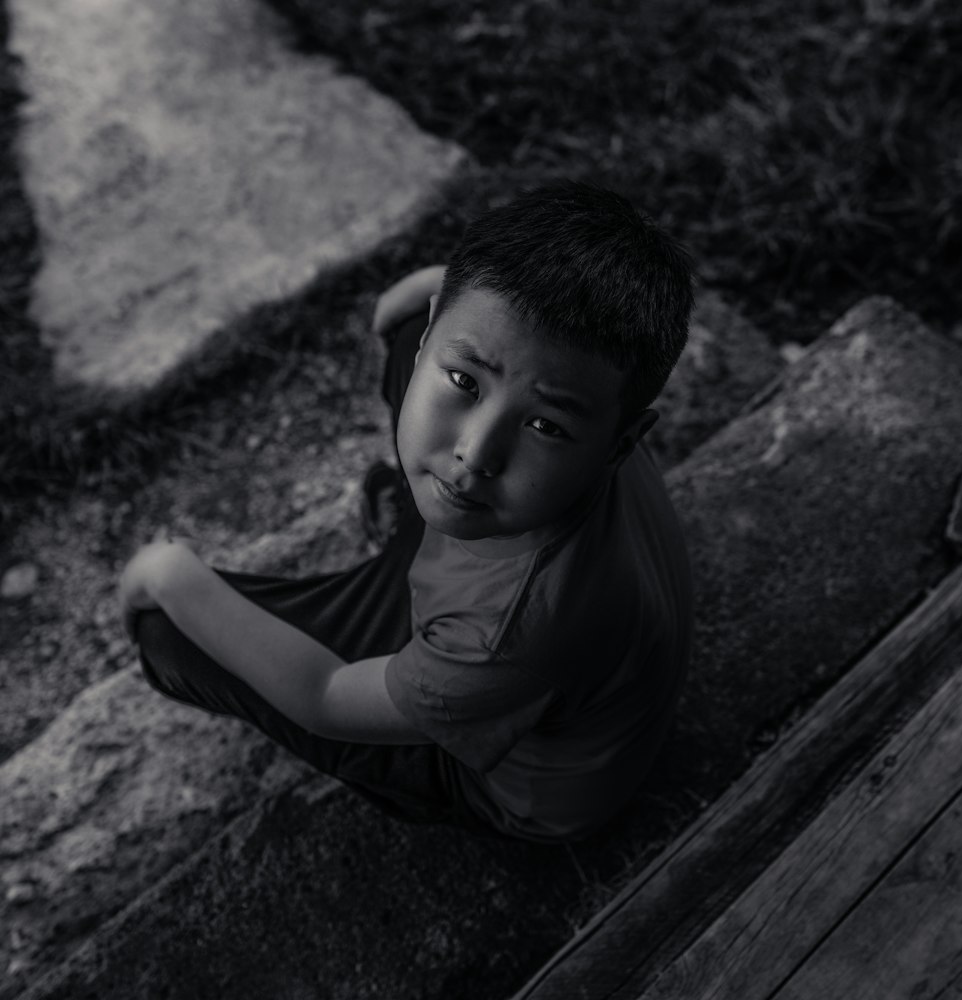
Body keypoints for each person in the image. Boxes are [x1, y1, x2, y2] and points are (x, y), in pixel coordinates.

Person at [120, 181, 695, 844]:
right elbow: (463, 329)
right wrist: (439, 286)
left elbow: (327, 697)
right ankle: (422, 527)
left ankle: (414, 548)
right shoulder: (585, 415)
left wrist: (171, 574)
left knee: (172, 631)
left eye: (545, 426)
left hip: (501, 777)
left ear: (623, 442)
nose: (476, 453)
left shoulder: (511, 632)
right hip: (517, 597)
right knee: (407, 342)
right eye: (466, 384)